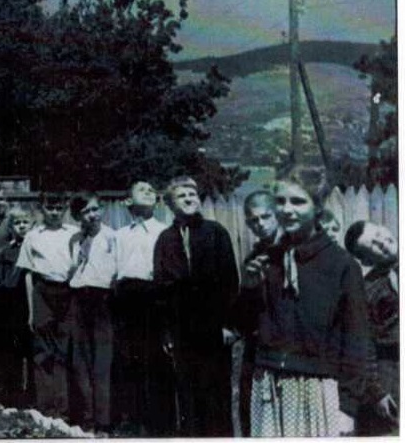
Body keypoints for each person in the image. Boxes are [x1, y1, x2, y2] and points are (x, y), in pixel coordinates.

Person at [240, 177, 391, 437]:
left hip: (318, 389)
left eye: (298, 201)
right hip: (269, 383)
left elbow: (357, 340)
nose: (287, 209)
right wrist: (250, 286)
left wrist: (347, 406)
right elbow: (245, 326)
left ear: (318, 209)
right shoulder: (265, 259)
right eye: (280, 201)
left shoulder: (341, 264)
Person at [153, 176, 238, 437]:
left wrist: (228, 324)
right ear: (169, 204)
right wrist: (167, 332)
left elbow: (229, 280)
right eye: (182, 195)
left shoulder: (215, 232)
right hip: (181, 329)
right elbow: (162, 289)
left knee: (215, 392)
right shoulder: (165, 239)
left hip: (213, 327)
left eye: (193, 194)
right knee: (188, 394)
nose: (190, 198)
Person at [111, 180, 172, 436]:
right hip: (126, 298)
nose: (150, 192)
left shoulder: (164, 231)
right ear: (127, 201)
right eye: (142, 189)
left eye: (152, 189)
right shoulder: (119, 235)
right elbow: (115, 270)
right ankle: (131, 419)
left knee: (154, 359)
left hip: (153, 297)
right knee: (127, 359)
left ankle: (157, 422)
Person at [15, 192, 76, 418]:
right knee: (43, 351)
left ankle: (64, 409)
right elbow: (29, 275)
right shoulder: (33, 235)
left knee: (64, 350)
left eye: (59, 207)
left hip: (67, 292)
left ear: (65, 208)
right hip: (42, 291)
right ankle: (46, 409)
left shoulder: (74, 233)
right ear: (42, 209)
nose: (54, 212)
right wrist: (32, 310)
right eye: (50, 208)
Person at [67, 194, 118, 433]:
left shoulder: (112, 237)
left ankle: (103, 421)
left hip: (103, 300)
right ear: (78, 216)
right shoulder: (75, 240)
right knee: (81, 361)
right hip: (79, 299)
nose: (93, 215)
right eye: (87, 211)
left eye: (96, 209)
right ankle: (87, 418)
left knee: (102, 363)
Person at [344, 220, 399, 435]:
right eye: (373, 245)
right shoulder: (368, 290)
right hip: (392, 369)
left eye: (379, 233)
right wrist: (377, 392)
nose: (382, 242)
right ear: (366, 259)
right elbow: (363, 344)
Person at [236, 189, 282, 436]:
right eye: (253, 220)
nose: (260, 224)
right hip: (259, 346)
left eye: (266, 217)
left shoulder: (295, 251)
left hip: (292, 347)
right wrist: (249, 285)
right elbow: (243, 318)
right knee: (252, 413)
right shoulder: (252, 259)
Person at [0, 203, 34, 406]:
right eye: (17, 223)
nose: (22, 226)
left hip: (28, 303)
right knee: (11, 349)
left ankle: (31, 394)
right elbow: (0, 280)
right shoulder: (7, 250)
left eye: (25, 222)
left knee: (30, 350)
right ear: (11, 227)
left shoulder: (36, 246)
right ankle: (11, 394)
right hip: (10, 305)